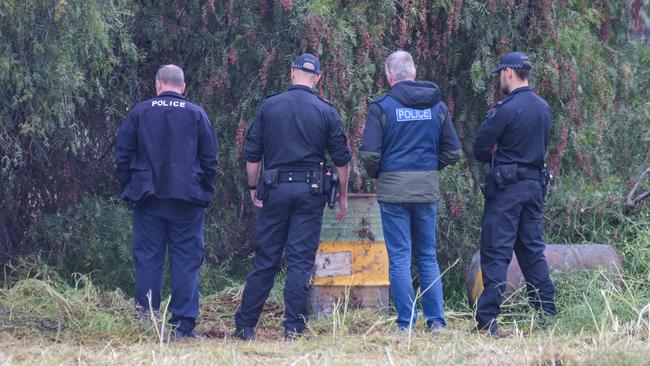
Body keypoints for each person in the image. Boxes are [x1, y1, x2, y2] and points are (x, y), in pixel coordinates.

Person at [232, 53, 352, 341]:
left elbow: (252, 155)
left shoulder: (270, 106)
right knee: (299, 261)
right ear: (318, 79)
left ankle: (246, 326)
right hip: (310, 193)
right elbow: (341, 161)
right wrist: (343, 196)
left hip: (275, 190)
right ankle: (294, 329)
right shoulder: (326, 111)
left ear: (292, 72)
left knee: (266, 258)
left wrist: (252, 187)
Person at [114, 64, 218, 340]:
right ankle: (182, 326)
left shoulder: (140, 112)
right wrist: (205, 191)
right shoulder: (197, 114)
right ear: (183, 87)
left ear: (158, 84)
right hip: (188, 199)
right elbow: (210, 160)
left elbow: (122, 155)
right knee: (186, 259)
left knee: (148, 258)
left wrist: (130, 187)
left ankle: (146, 321)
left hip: (149, 198)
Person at [360, 51, 462, 332]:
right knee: (428, 256)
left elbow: (369, 153)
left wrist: (379, 173)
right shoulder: (438, 107)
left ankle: (405, 324)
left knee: (400, 258)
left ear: (389, 75)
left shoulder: (381, 107)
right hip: (426, 191)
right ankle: (437, 322)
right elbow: (453, 152)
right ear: (414, 73)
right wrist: (430, 168)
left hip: (393, 192)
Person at [472, 51, 557, 337]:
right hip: (534, 188)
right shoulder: (543, 107)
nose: (499, 79)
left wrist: (495, 149)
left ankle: (487, 322)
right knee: (532, 251)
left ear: (509, 72)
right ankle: (546, 315)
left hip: (507, 191)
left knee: (496, 252)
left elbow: (480, 149)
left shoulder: (505, 109)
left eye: (500, 74)